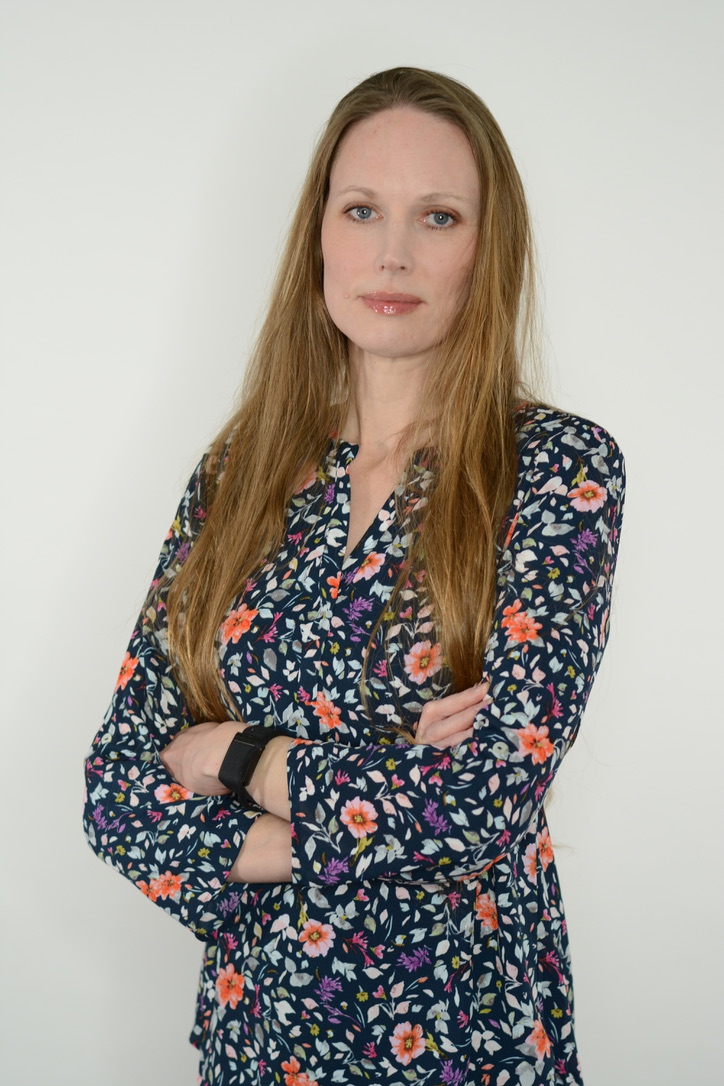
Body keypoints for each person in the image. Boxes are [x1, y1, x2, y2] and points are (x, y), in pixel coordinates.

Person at [83, 66, 625, 1086]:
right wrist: (382, 806)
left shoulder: (557, 472)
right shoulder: (239, 474)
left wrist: (235, 757)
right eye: (363, 208)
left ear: (483, 249)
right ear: (318, 234)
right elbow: (119, 795)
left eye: (438, 217)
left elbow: (478, 805)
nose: (391, 253)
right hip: (259, 1047)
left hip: (465, 1044)